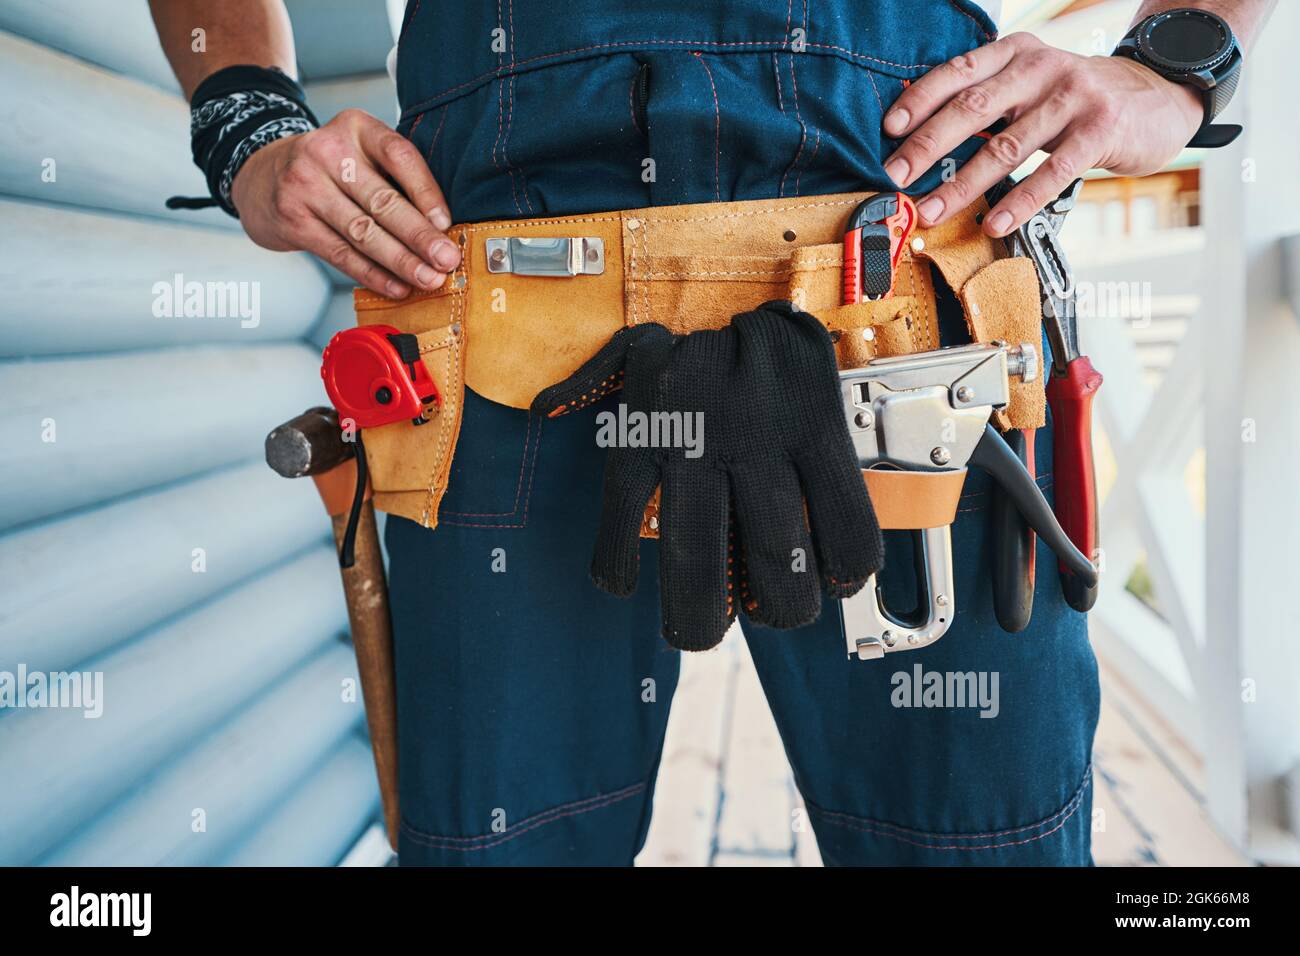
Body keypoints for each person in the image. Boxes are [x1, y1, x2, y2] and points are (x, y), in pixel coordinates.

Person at [149, 0, 1274, 866]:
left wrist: (1179, 63)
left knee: (985, 843)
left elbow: (1178, 63)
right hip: (497, 350)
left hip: (911, 326)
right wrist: (244, 120)